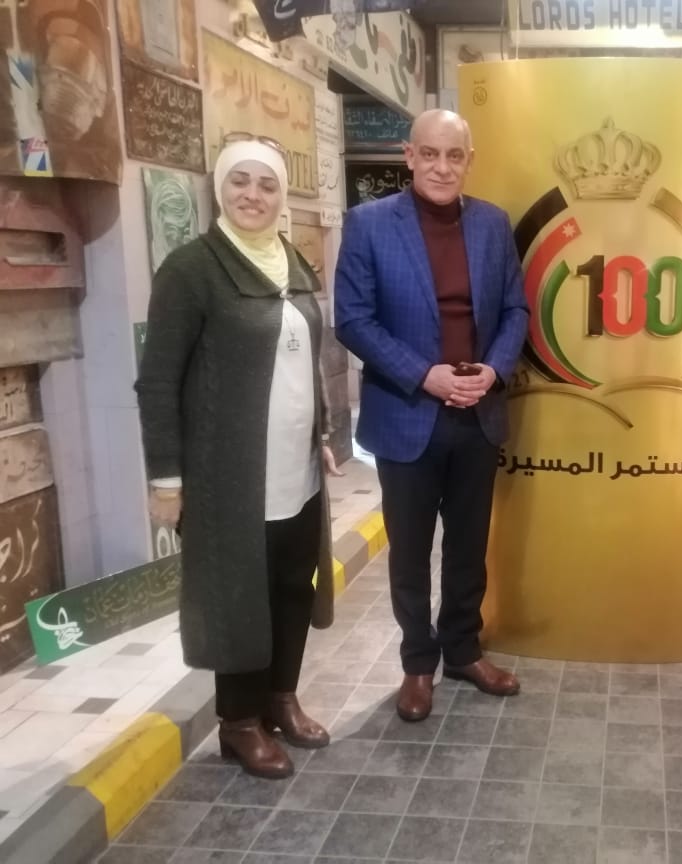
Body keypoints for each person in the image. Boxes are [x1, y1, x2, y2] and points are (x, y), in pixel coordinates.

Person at [136, 135, 342, 779]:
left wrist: (322, 435)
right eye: (240, 181)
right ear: (219, 189)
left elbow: (305, 362)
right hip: (228, 480)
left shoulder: (292, 263)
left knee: (292, 586)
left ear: (282, 197)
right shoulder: (191, 270)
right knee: (238, 598)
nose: (254, 195)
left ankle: (281, 698)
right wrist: (166, 480)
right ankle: (239, 722)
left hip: (296, 473)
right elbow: (157, 382)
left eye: (267, 184)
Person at [335, 110, 529, 722]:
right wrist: (425, 374)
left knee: (469, 546)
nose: (442, 167)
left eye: (454, 155)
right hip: (407, 412)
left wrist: (493, 370)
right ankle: (418, 664)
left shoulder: (493, 224)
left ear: (470, 160)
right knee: (411, 551)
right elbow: (353, 320)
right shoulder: (368, 224)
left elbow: (516, 310)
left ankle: (463, 651)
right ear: (409, 156)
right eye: (430, 154)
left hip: (478, 413)